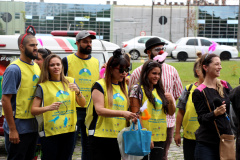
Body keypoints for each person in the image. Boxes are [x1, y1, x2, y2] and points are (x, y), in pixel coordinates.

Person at [129, 37, 183, 160]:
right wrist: (143, 134)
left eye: (162, 49)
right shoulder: (137, 72)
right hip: (144, 126)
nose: (161, 51)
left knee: (162, 156)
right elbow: (133, 103)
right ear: (148, 52)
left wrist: (169, 102)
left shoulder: (172, 71)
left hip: (165, 124)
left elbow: (176, 95)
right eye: (157, 49)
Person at [31, 54, 86, 160]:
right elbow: (33, 110)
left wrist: (78, 92)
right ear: (47, 67)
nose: (56, 67)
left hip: (69, 130)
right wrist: (48, 107)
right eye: (52, 65)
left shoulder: (71, 81)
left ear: (62, 66)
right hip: (50, 132)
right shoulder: (42, 86)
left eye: (58, 64)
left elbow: (83, 104)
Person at [86, 48, 137, 160]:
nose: (124, 73)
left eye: (127, 69)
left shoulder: (124, 88)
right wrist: (123, 113)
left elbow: (126, 110)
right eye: (121, 69)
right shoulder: (99, 85)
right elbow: (99, 110)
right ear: (110, 68)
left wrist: (132, 117)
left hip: (118, 136)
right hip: (100, 135)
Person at [2, 27, 40, 160]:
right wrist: (12, 129)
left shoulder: (35, 66)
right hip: (18, 128)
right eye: (32, 45)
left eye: (36, 45)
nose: (36, 48)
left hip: (32, 127)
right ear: (22, 47)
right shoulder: (14, 69)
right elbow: (6, 100)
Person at [62, 30, 99, 160]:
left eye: (90, 42)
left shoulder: (95, 62)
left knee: (89, 147)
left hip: (90, 110)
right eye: (85, 42)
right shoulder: (66, 61)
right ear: (77, 43)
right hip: (73, 109)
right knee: (69, 145)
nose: (89, 44)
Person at [130, 60, 175, 160]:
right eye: (154, 73)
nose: (157, 77)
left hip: (160, 136)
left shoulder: (159, 90)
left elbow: (171, 112)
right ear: (146, 73)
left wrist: (171, 101)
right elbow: (135, 114)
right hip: (144, 136)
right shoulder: (137, 89)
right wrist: (145, 136)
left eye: (159, 74)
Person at [192, 53, 233, 160]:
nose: (220, 67)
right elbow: (201, 119)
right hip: (207, 144)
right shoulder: (199, 91)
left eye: (220, 64)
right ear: (205, 67)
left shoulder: (225, 85)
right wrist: (215, 113)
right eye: (216, 64)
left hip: (226, 140)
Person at [174, 52, 203, 160]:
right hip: (189, 136)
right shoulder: (189, 89)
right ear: (198, 72)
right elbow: (181, 112)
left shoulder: (215, 88)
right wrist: (177, 133)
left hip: (207, 137)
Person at [32, 48, 52, 160]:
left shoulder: (53, 78)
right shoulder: (34, 73)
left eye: (38, 59)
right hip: (33, 120)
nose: (35, 62)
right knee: (33, 152)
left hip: (48, 123)